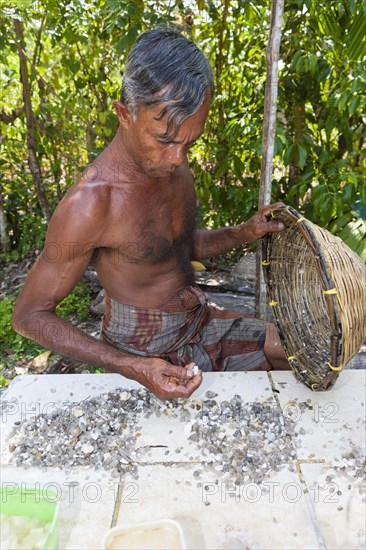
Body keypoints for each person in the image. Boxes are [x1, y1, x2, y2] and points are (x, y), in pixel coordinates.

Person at [13, 27, 289, 401]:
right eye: (166, 141)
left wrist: (244, 232)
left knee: (293, 352)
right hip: (141, 351)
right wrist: (133, 367)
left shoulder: (173, 161)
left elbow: (175, 248)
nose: (178, 158)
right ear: (124, 114)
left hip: (198, 319)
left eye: (190, 142)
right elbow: (29, 316)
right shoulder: (91, 204)